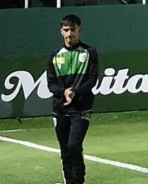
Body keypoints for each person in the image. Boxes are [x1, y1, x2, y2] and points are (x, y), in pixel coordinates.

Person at [44, 14, 100, 184]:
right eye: (66, 30)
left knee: (74, 146)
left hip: (81, 108)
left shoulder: (89, 53)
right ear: (61, 31)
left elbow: (92, 79)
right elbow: (51, 85)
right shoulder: (54, 56)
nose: (70, 34)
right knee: (65, 150)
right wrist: (64, 92)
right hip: (60, 108)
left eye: (73, 30)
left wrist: (75, 92)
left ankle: (79, 180)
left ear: (79, 29)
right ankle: (70, 181)